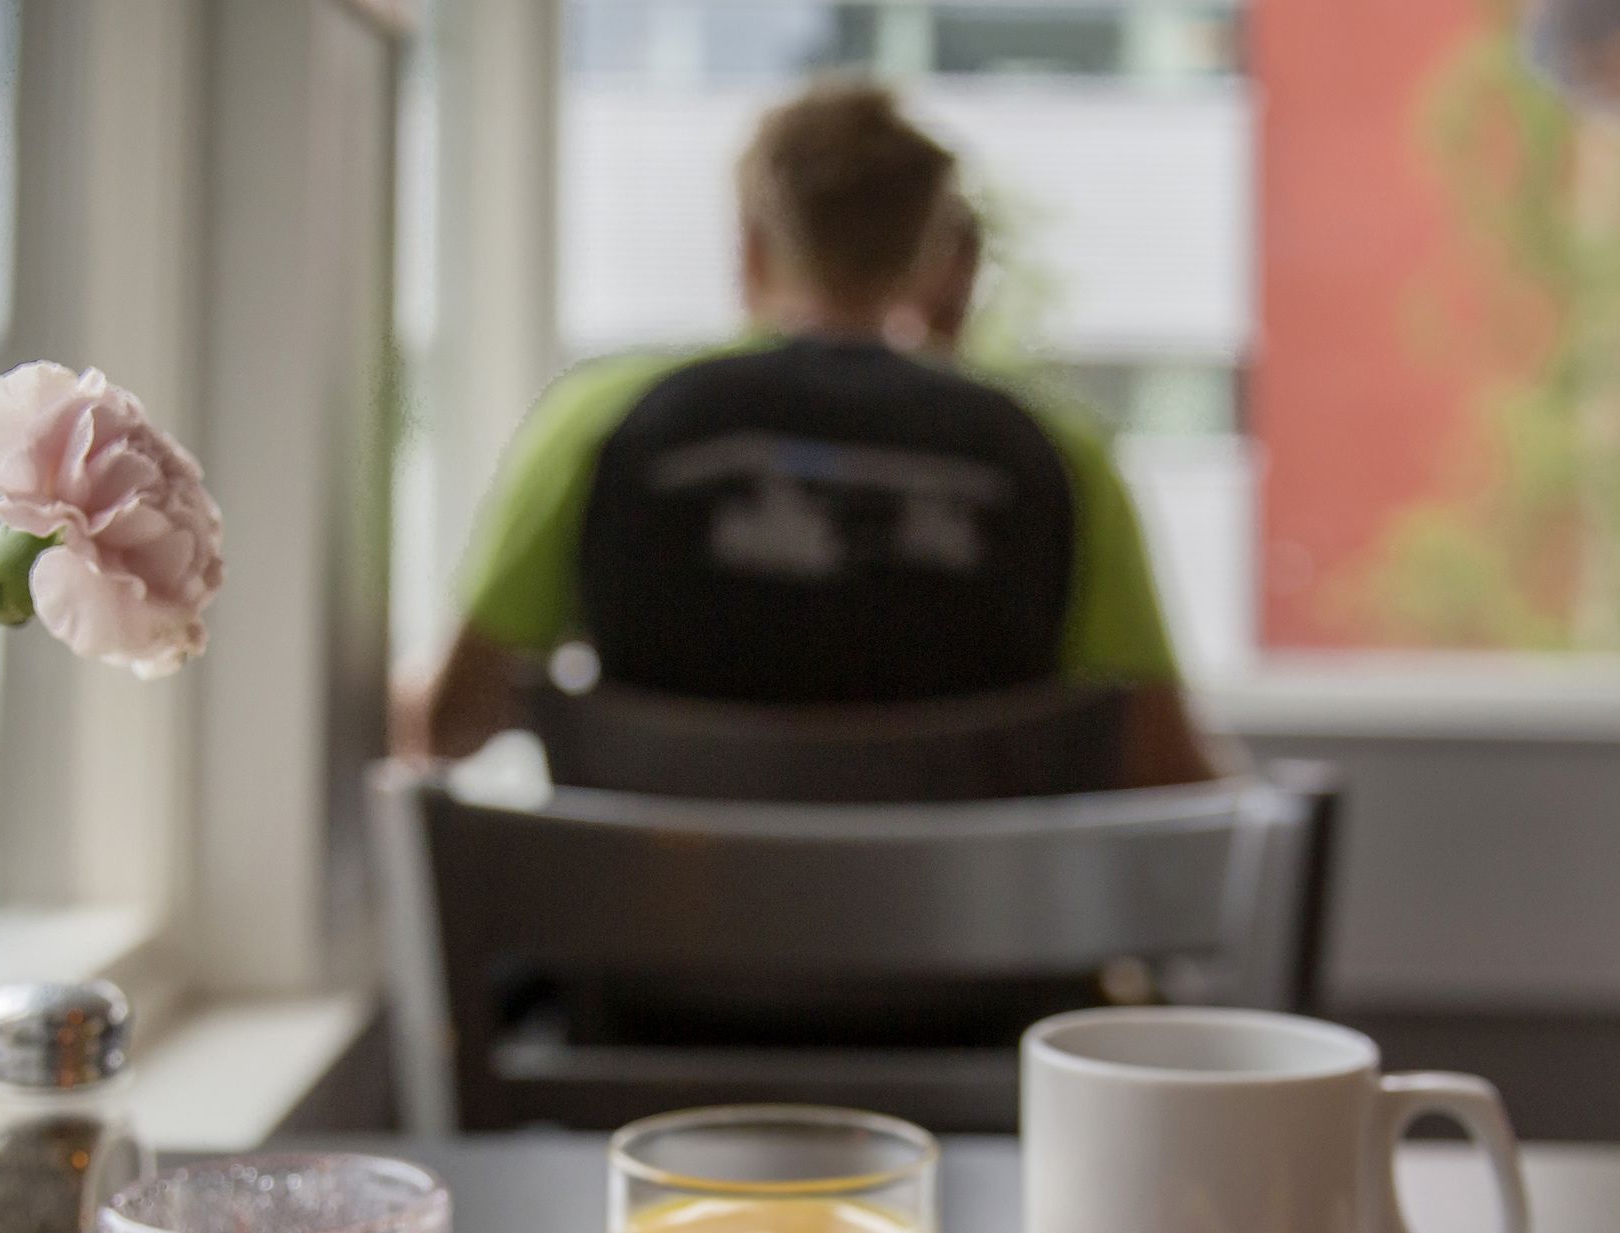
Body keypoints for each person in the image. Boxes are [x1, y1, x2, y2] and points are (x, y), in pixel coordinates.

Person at [404, 80, 1225, 789]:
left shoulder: (600, 422)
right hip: (967, 965)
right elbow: (1162, 767)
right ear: (941, 262)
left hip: (646, 959)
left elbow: (450, 725)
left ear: (751, 246)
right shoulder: (1057, 453)